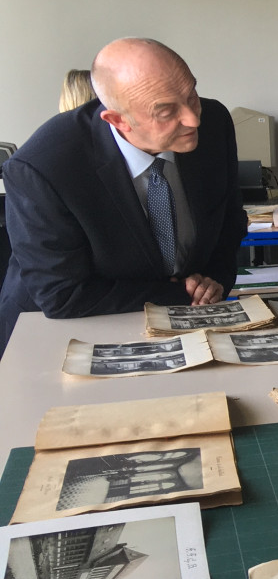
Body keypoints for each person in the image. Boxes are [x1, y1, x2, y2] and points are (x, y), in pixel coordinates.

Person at [0, 38, 246, 352]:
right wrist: (181, 295)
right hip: (61, 333)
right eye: (166, 111)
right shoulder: (44, 167)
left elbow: (229, 221)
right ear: (117, 120)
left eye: (191, 94)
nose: (193, 119)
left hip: (179, 326)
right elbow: (62, 294)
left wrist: (214, 280)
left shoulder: (215, 122)